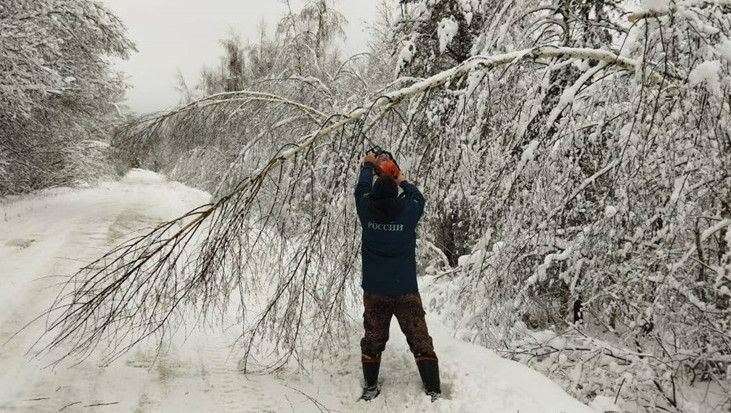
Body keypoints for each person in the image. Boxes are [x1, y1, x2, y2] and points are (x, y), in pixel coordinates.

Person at [353, 151, 441, 402]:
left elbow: (361, 190)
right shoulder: (408, 212)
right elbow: (417, 196)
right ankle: (433, 390)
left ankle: (370, 387)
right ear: (396, 195)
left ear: (374, 197)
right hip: (405, 289)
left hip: (375, 290)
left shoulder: (367, 212)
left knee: (373, 338)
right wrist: (398, 177)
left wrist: (368, 166)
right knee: (420, 338)